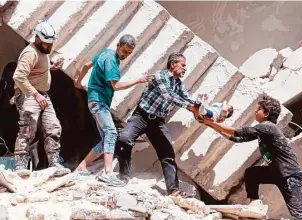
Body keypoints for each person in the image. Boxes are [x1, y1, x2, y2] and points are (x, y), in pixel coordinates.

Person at [201, 95, 302, 219]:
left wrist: (212, 122)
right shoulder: (263, 130)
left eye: (259, 109)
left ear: (267, 113)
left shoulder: (267, 127)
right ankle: (254, 204)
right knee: (252, 174)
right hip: (276, 172)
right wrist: (212, 125)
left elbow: (238, 132)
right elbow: (238, 139)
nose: (255, 111)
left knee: (298, 215)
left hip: (290, 176)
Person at [115, 52, 199, 196]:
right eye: (183, 65)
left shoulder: (178, 84)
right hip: (141, 116)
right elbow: (169, 96)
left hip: (157, 122)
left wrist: (199, 107)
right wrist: (191, 108)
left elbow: (187, 97)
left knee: (167, 154)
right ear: (173, 64)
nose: (185, 69)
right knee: (124, 139)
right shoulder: (161, 76)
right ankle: (124, 177)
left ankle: (173, 191)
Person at [74, 34, 154, 186]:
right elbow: (115, 86)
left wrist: (78, 82)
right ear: (118, 45)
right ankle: (108, 172)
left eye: (129, 53)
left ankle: (82, 167)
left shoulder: (106, 53)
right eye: (124, 51)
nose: (125, 55)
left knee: (106, 138)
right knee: (111, 133)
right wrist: (137, 80)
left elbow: (86, 65)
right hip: (99, 102)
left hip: (94, 100)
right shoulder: (111, 61)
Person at [13, 21, 65, 172]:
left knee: (53, 127)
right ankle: (20, 165)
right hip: (29, 94)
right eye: (46, 44)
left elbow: (36, 70)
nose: (49, 47)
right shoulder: (30, 53)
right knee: (28, 128)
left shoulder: (43, 52)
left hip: (42, 95)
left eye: (51, 44)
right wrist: (35, 95)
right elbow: (18, 77)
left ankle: (54, 162)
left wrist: (51, 68)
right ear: (37, 39)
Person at [0, 62, 18, 151]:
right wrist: (9, 103)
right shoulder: (3, 85)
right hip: (4, 118)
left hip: (16, 119)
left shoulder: (20, 86)